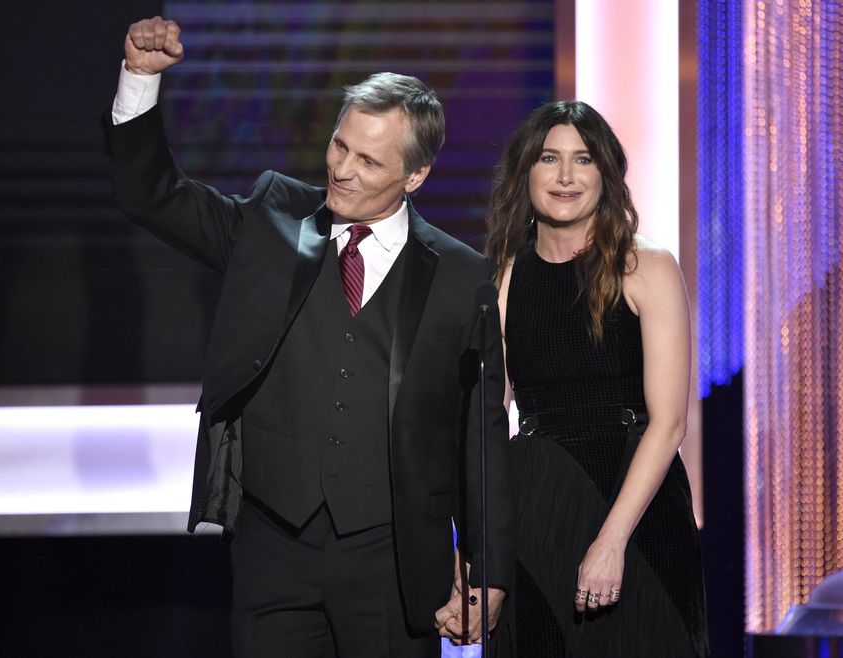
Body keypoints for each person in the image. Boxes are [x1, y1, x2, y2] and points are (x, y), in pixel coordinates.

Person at [103, 16, 514, 658]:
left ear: (415, 177)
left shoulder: (462, 277)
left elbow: (478, 432)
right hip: (273, 548)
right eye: (339, 146)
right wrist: (140, 80)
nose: (342, 170)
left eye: (370, 159)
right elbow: (152, 196)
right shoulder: (272, 220)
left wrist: (485, 570)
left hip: (393, 558)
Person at [484, 100, 709, 656]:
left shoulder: (645, 266)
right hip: (536, 504)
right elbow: (486, 414)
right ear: (525, 173)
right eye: (549, 159)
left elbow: (670, 422)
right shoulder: (507, 273)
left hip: (635, 508)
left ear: (604, 174)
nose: (565, 176)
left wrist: (611, 542)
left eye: (582, 160)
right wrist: (478, 551)